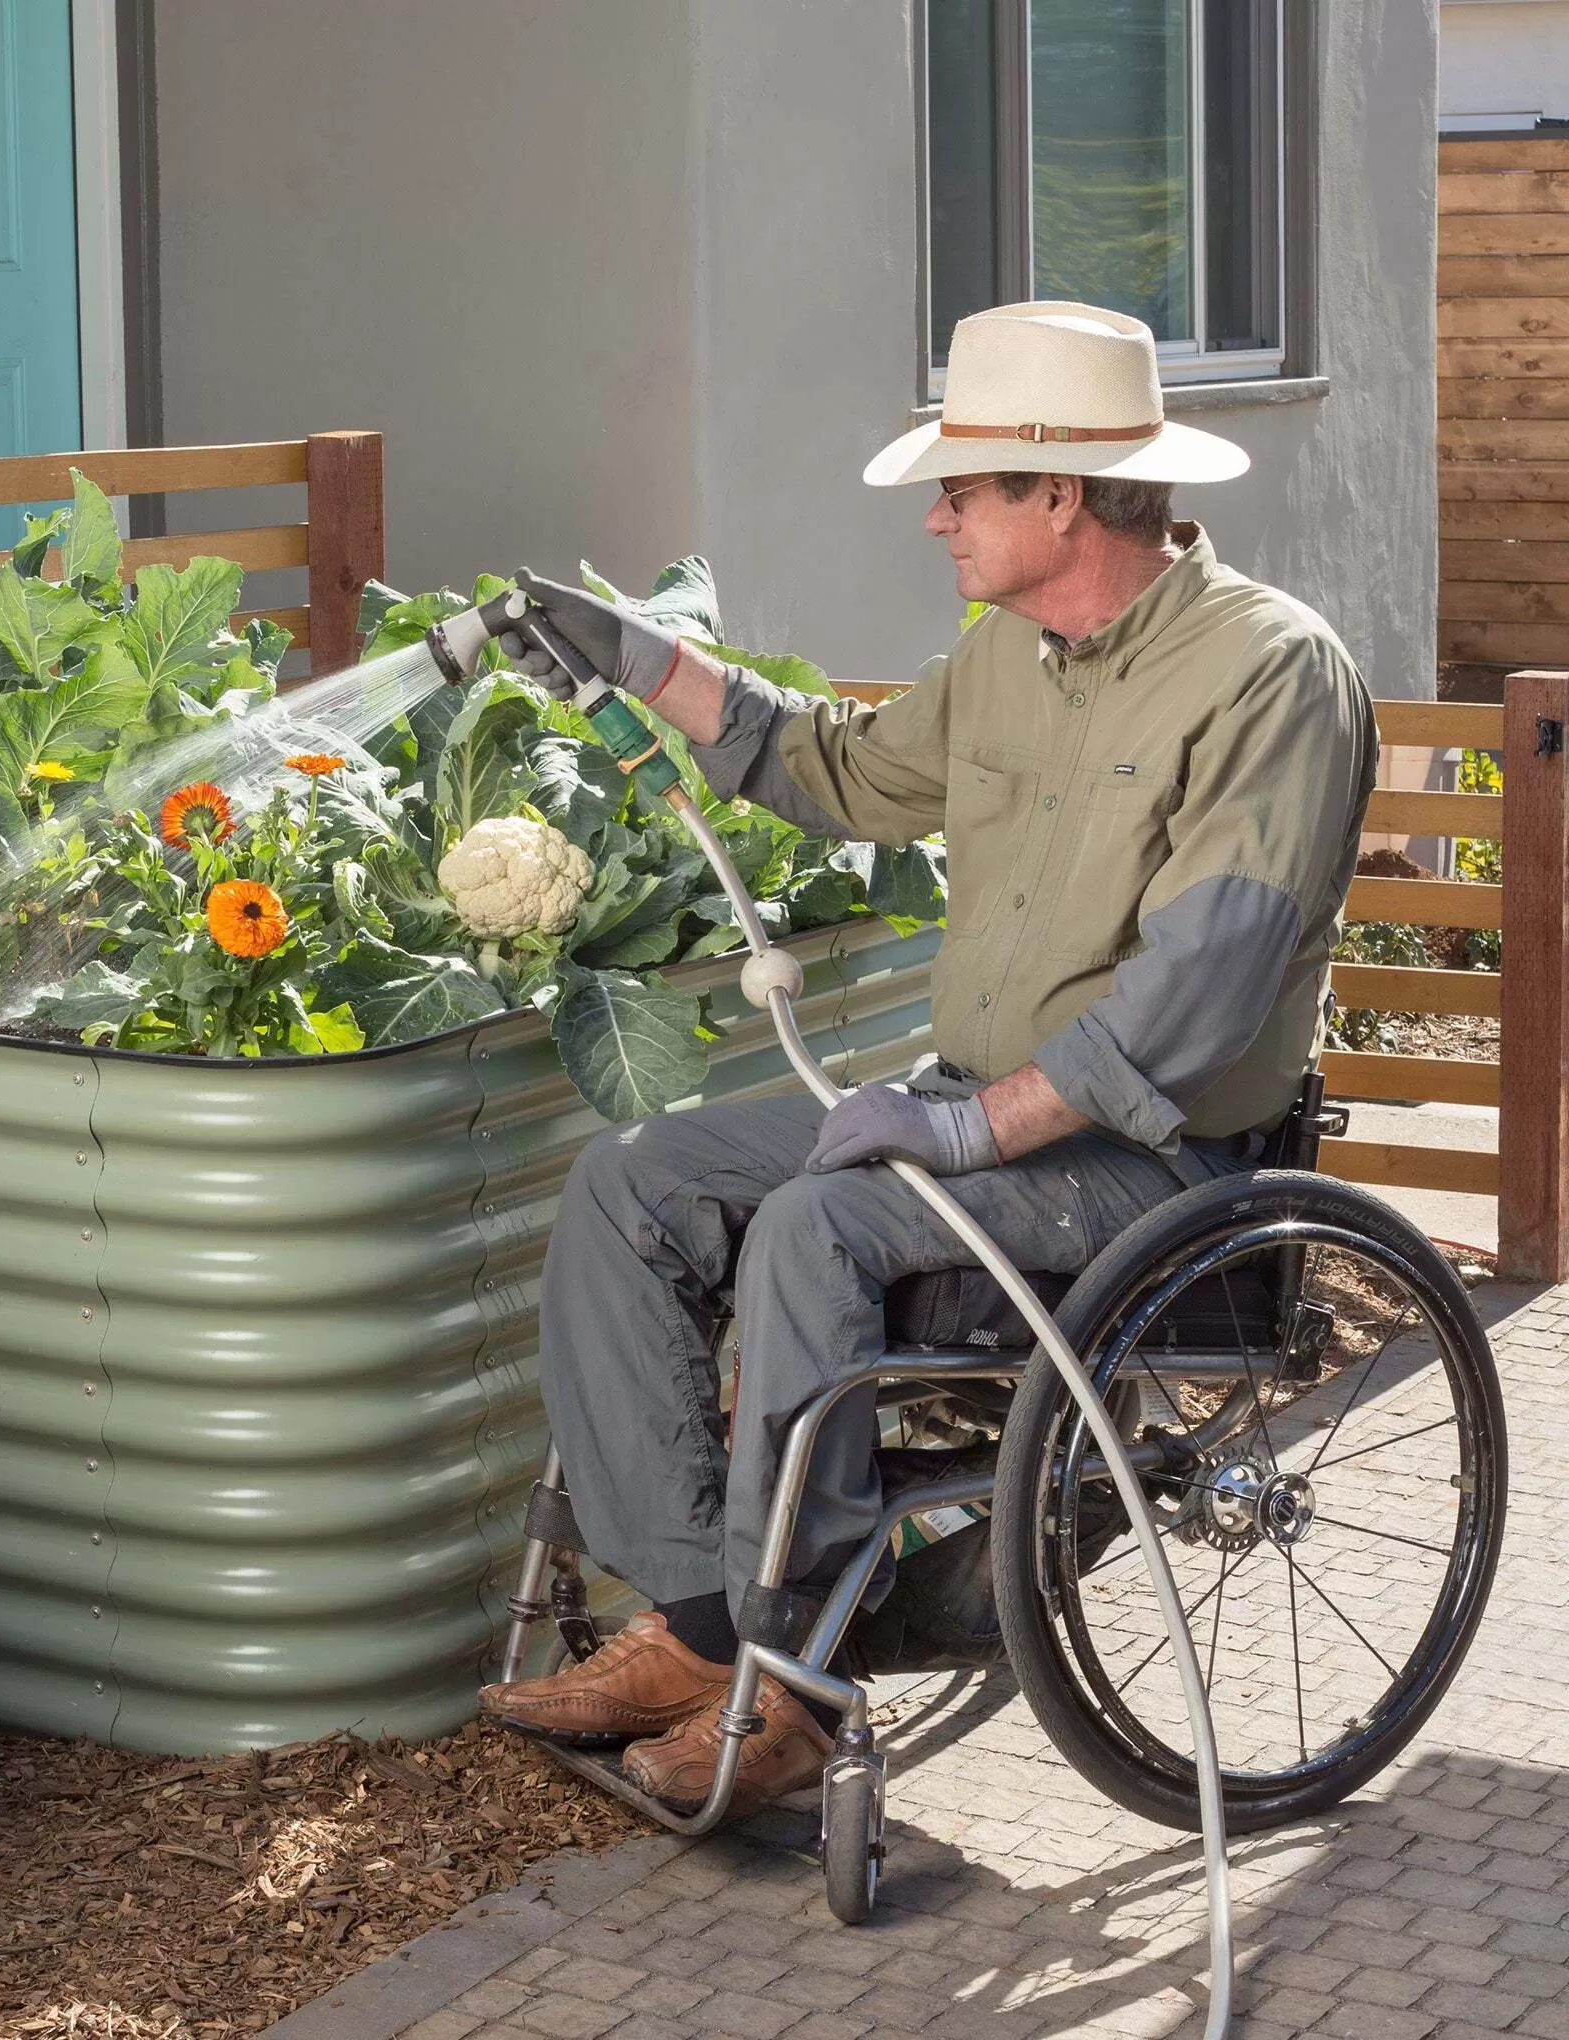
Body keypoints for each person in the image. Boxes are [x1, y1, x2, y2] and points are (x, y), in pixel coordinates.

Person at [477, 300, 1379, 1816]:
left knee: (825, 1220)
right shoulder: (1009, 657)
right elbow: (830, 766)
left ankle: (800, 1687)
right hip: (987, 1119)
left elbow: (1202, 993)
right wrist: (642, 658)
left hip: (1158, 1167)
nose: (937, 516)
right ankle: (710, 1626)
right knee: (635, 1179)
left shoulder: (1269, 675)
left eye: (962, 487)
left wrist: (966, 1136)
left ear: (1065, 495)